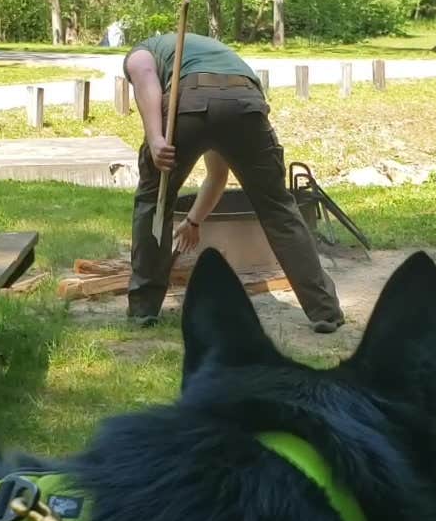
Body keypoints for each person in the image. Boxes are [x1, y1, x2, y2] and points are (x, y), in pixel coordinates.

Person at [123, 31, 345, 332]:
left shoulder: (141, 52)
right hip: (245, 105)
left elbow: (145, 75)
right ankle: (325, 311)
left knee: (154, 202)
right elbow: (217, 175)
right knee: (279, 209)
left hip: (189, 101)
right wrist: (193, 221)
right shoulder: (208, 50)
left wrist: (156, 138)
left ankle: (143, 310)